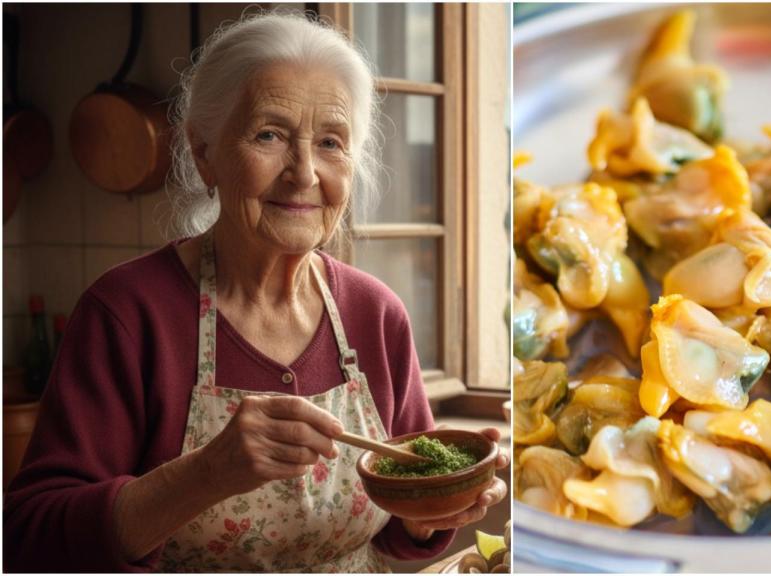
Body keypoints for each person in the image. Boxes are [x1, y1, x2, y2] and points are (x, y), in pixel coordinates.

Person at [3, 11, 507, 572]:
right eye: (269, 134)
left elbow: (395, 528)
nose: (304, 172)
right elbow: (29, 536)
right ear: (204, 153)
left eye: (331, 142)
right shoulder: (126, 313)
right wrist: (204, 475)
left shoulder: (375, 312)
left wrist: (433, 511)